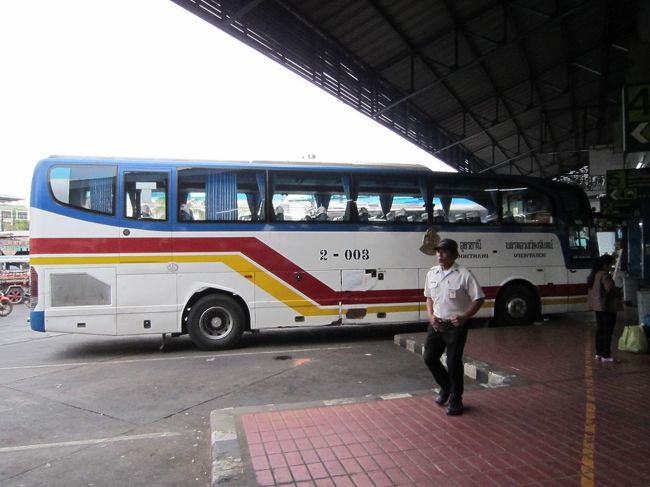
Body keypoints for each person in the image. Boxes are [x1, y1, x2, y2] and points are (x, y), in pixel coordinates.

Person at [423, 238, 485, 416]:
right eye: (437, 252)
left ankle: (456, 399)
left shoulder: (464, 274)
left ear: (454, 255)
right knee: (429, 358)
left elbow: (479, 298)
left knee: (453, 362)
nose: (439, 255)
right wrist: (430, 315)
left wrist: (465, 317)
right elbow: (428, 297)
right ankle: (445, 387)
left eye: (444, 252)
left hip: (455, 326)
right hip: (436, 323)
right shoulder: (432, 273)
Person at [587, 254, 620, 362]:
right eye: (610, 264)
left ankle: (599, 353)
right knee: (607, 331)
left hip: (598, 307)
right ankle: (606, 355)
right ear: (605, 265)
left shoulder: (594, 274)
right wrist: (618, 291)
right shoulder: (605, 275)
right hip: (607, 307)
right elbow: (610, 289)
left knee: (600, 330)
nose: (611, 267)